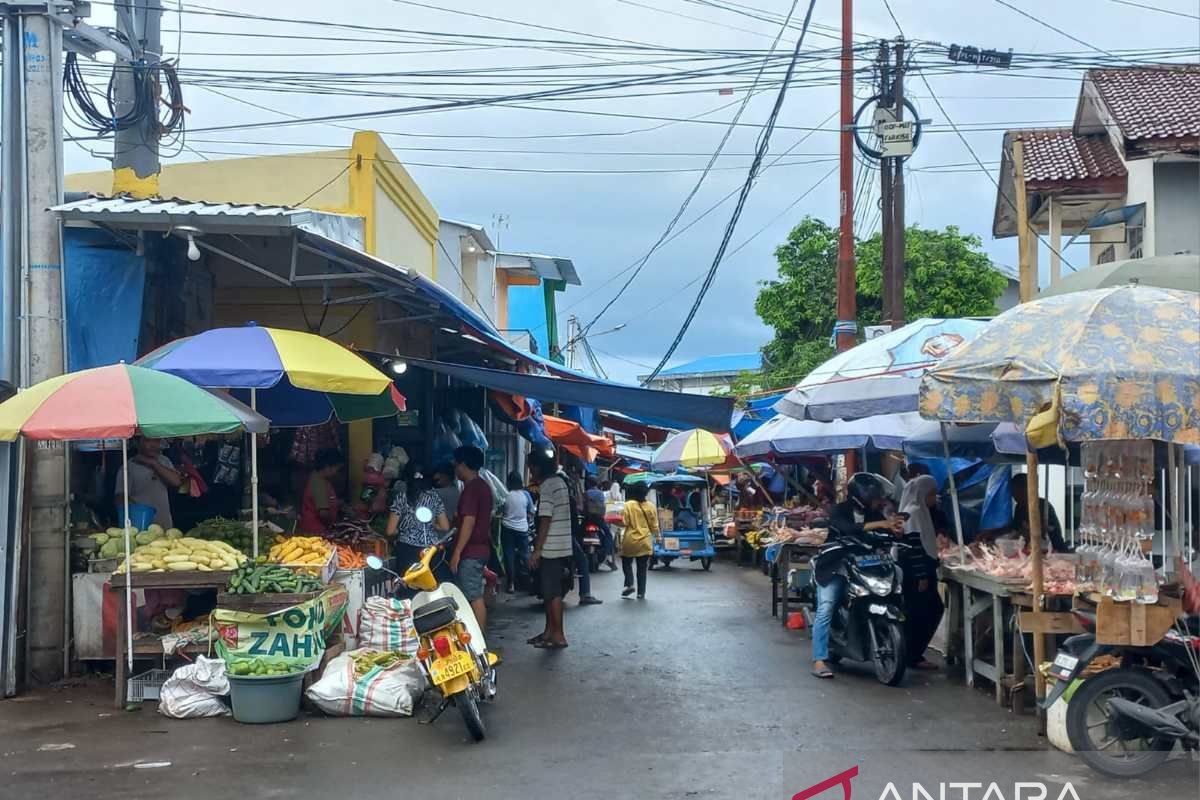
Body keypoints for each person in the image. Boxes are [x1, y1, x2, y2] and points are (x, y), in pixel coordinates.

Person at [811, 473, 904, 680]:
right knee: (826, 606)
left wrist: (895, 530)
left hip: (864, 565)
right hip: (834, 565)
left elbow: (883, 534)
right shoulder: (839, 510)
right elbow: (849, 528)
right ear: (862, 495)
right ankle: (819, 659)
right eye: (874, 497)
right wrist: (882, 524)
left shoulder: (873, 513)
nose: (877, 500)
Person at [897, 474, 944, 671]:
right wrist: (922, 575)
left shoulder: (919, 511)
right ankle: (913, 655)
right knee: (927, 611)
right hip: (917, 571)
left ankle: (911, 653)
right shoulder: (915, 512)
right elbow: (913, 545)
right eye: (932, 494)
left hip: (920, 569)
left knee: (919, 612)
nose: (935, 498)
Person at [527, 450, 574, 649]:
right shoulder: (560, 482)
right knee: (549, 592)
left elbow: (545, 519)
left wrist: (537, 550)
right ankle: (549, 632)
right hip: (562, 546)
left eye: (530, 468)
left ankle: (558, 635)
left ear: (537, 468)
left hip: (551, 549)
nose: (530, 473)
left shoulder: (547, 486)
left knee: (552, 593)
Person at [448, 446, 493, 630]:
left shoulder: (473, 489)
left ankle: (480, 643)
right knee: (473, 594)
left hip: (471, 551)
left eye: (456, 464)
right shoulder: (482, 486)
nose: (455, 469)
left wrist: (457, 552)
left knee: (473, 596)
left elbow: (469, 521)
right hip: (479, 549)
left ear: (463, 464)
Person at [386, 462, 451, 582]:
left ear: (406, 478)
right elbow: (445, 527)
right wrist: (432, 525)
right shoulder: (434, 497)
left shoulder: (401, 497)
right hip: (430, 551)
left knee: (409, 589)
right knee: (431, 588)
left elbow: (390, 531)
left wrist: (402, 530)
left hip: (407, 551)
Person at [115, 437, 182, 528]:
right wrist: (138, 510)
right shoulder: (128, 467)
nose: (153, 445)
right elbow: (120, 498)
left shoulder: (164, 461)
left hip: (163, 523)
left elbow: (176, 481)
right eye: (147, 440)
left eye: (156, 441)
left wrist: (153, 463)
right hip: (140, 526)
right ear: (137, 443)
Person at [1010, 479, 1072, 553]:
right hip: (1028, 549)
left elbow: (1049, 528)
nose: (1014, 495)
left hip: (1052, 549)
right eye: (1013, 492)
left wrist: (1031, 528)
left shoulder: (1043, 505)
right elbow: (1015, 529)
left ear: (1027, 489)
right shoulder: (1019, 507)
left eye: (1017, 491)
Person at [620, 482, 659, 599]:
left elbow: (624, 522)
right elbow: (654, 526)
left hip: (630, 540)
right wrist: (657, 537)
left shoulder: (628, 505)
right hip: (645, 541)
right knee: (642, 568)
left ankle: (630, 583)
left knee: (626, 562)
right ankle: (641, 593)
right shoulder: (651, 506)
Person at [500, 471, 534, 593]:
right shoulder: (526, 495)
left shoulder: (506, 496)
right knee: (526, 554)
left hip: (507, 529)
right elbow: (531, 511)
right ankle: (531, 580)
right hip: (522, 529)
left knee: (509, 556)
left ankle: (511, 584)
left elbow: (501, 511)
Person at [585, 477, 617, 571]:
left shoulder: (586, 493)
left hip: (588, 519)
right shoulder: (601, 494)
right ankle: (605, 553)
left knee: (577, 534)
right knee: (609, 535)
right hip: (599, 520)